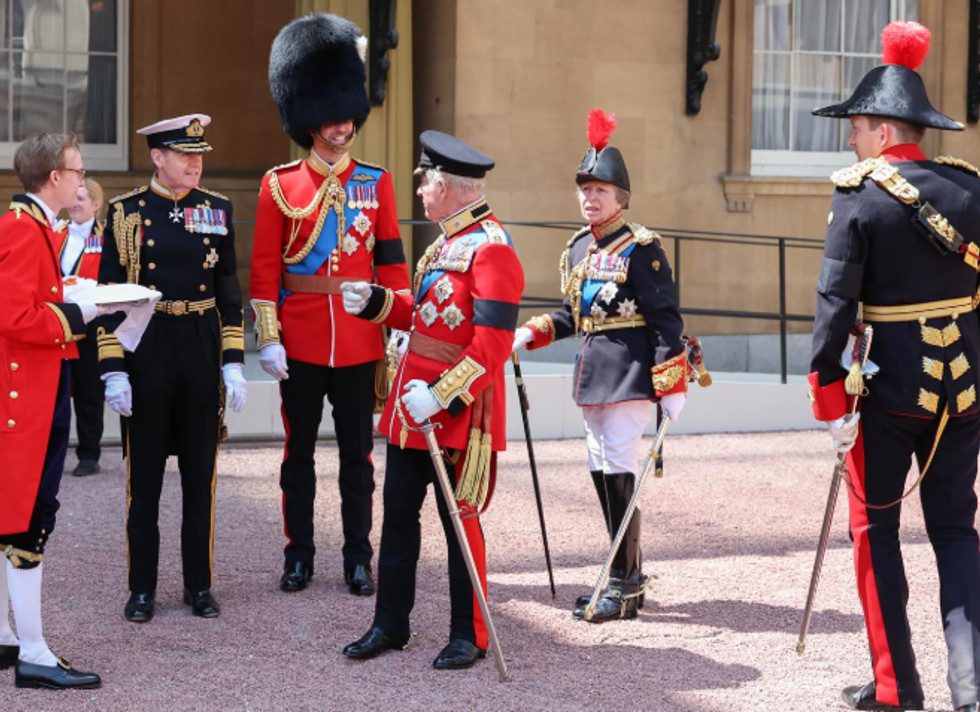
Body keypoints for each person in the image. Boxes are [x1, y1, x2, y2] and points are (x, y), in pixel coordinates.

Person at [808, 22, 980, 712]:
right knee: (956, 533)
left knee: (875, 531)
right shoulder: (969, 187)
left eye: (857, 127)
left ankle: (895, 687)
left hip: (884, 393)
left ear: (882, 131)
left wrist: (828, 403)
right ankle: (971, 690)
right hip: (964, 387)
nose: (850, 138)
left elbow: (832, 305)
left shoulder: (859, 193)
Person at [340, 130, 524, 669]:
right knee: (397, 516)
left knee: (458, 521)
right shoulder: (446, 242)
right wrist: (377, 301)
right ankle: (390, 623)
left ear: (446, 185)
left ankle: (470, 634)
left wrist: (441, 398)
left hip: (455, 414)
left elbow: (491, 344)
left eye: (425, 181)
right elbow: (426, 317)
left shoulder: (491, 247)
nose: (419, 189)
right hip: (409, 409)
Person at [251, 13, 410, 597]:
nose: (343, 127)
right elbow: (266, 272)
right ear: (309, 117)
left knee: (358, 460)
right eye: (332, 117)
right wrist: (268, 336)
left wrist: (394, 322)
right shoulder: (278, 186)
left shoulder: (378, 181)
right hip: (302, 338)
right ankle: (299, 555)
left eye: (347, 116)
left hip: (361, 337)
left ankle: (358, 556)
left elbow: (391, 262)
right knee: (298, 457)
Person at [513, 109, 687, 623]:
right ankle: (623, 578)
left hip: (631, 373)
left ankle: (624, 582)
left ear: (622, 198)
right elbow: (573, 314)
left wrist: (671, 382)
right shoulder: (578, 247)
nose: (591, 198)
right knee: (602, 471)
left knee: (619, 471)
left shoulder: (641, 246)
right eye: (585, 190)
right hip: (592, 373)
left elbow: (664, 317)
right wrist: (532, 331)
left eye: (601, 191)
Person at [97, 114, 248, 624]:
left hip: (201, 345)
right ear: (158, 158)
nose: (196, 162)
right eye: (184, 154)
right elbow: (107, 302)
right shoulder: (124, 214)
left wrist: (233, 362)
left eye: (199, 153)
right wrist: (113, 370)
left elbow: (230, 291)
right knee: (145, 483)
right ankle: (141, 588)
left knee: (199, 479)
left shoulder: (218, 210)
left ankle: (198, 585)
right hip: (149, 346)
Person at [0, 133, 104, 688]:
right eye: (76, 170)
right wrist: (78, 312)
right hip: (27, 399)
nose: (82, 179)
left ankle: (6, 636)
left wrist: (70, 299)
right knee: (28, 524)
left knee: (11, 519)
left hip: (30, 392)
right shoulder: (23, 228)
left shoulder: (31, 224)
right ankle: (34, 653)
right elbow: (16, 316)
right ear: (53, 178)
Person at [60, 178, 107, 477]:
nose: (75, 203)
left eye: (81, 198)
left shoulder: (107, 238)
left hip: (92, 323)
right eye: (72, 197)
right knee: (57, 390)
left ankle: (89, 454)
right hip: (58, 321)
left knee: (90, 390)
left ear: (96, 204)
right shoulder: (55, 233)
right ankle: (52, 450)